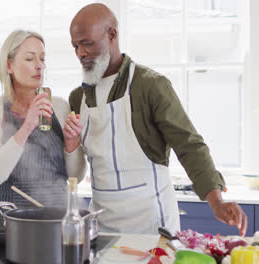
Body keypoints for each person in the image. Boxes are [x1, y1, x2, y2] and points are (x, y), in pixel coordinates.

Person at [63, 3, 248, 235]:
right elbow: (77, 166)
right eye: (75, 46)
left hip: (152, 225)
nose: (80, 53)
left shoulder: (150, 86)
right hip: (103, 227)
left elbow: (189, 145)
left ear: (112, 34)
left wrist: (217, 202)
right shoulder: (78, 98)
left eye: (87, 43)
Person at [0, 30, 86, 218]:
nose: (40, 66)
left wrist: (72, 144)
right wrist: (27, 127)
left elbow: (76, 177)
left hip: (57, 219)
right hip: (8, 223)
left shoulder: (59, 106)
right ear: (9, 65)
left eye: (42, 58)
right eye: (30, 59)